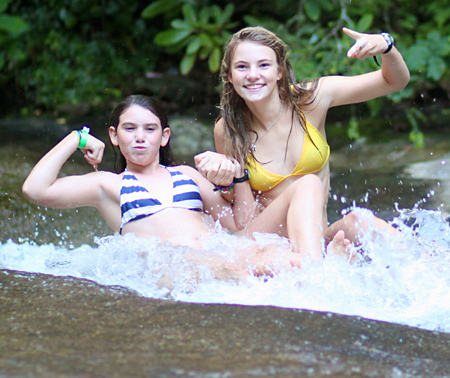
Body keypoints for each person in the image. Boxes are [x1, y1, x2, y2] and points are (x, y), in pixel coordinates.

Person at [22, 95, 352, 284]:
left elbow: (240, 225)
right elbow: (36, 190)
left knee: (270, 253)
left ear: (163, 137)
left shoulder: (187, 175)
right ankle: (316, 273)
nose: (140, 137)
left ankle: (317, 269)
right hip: (175, 265)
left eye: (149, 129)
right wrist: (75, 138)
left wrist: (238, 180)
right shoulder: (107, 184)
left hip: (223, 249)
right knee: (229, 269)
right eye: (130, 129)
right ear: (113, 135)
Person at [195, 26, 410, 258]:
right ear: (230, 75)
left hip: (316, 239)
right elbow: (240, 208)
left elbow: (394, 82)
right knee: (307, 184)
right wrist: (226, 181)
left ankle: (432, 273)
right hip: (264, 241)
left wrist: (386, 45)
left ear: (279, 71)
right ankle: (314, 278)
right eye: (242, 67)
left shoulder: (311, 100)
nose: (253, 75)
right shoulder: (228, 128)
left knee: (360, 221)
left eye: (263, 65)